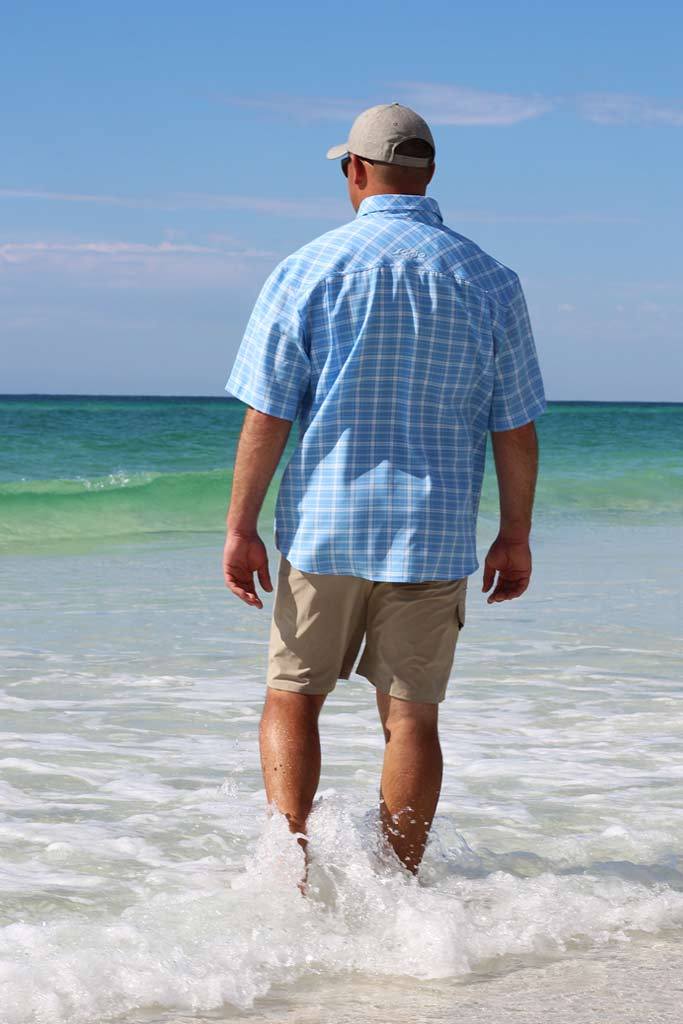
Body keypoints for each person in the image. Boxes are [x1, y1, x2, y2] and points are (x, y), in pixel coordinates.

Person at [223, 102, 547, 877]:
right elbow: (515, 427)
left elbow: (267, 415)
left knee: (292, 697)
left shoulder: (307, 268)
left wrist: (240, 527)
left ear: (356, 172)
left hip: (323, 532)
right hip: (433, 534)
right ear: (428, 173)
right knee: (411, 720)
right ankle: (400, 886)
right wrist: (514, 533)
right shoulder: (490, 279)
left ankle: (289, 871)